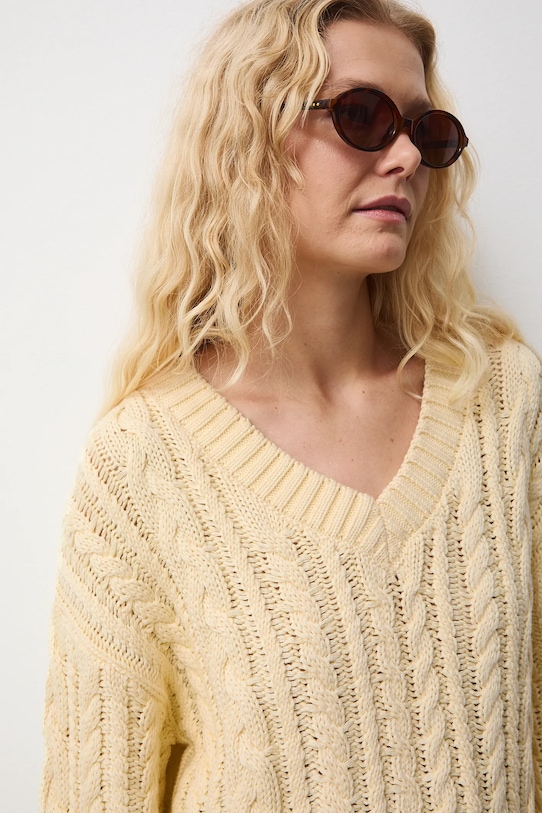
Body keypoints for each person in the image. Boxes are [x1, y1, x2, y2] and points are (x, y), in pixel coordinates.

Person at [41, 0, 542, 810]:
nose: (407, 157)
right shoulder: (142, 464)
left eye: (426, 130)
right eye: (362, 116)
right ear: (251, 137)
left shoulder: (504, 404)